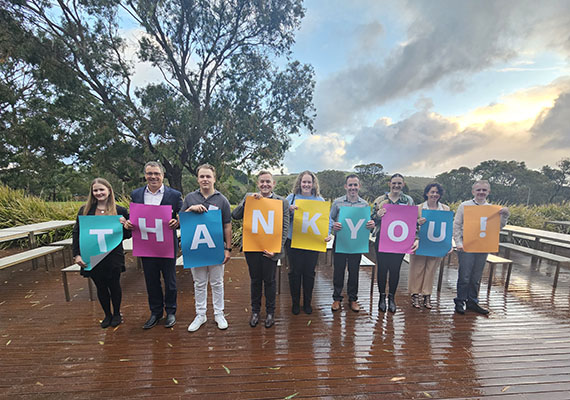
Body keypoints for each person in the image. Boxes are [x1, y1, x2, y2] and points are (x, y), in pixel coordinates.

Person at [124, 162, 183, 329]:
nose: (153, 177)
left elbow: (183, 215)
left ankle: (171, 311)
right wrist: (128, 223)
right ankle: (155, 312)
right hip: (146, 244)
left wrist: (177, 222)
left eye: (156, 173)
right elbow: (133, 216)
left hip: (167, 244)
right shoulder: (136, 194)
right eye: (150, 173)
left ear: (162, 175)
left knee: (170, 280)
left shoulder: (174, 194)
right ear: (145, 175)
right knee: (151, 281)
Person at [232, 171, 289, 328]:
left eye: (268, 182)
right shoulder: (250, 197)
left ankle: (271, 312)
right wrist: (247, 202)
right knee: (255, 280)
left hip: (270, 249)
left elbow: (284, 227)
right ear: (258, 184)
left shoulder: (281, 202)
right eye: (262, 182)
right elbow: (235, 215)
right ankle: (255, 311)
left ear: (273, 184)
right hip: (252, 248)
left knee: (270, 281)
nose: (265, 184)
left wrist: (277, 250)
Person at [72, 178, 130, 328]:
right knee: (101, 287)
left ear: (109, 190)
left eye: (101, 189)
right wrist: (76, 254)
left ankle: (117, 313)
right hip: (92, 254)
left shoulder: (120, 210)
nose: (99, 193)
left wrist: (126, 226)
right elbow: (77, 233)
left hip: (113, 256)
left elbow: (127, 235)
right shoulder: (85, 211)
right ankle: (107, 315)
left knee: (114, 285)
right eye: (95, 190)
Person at [182, 164, 232, 332]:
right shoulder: (189, 198)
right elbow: (182, 221)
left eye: (208, 176)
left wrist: (228, 249)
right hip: (196, 249)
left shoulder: (221, 199)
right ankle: (200, 314)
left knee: (217, 282)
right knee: (199, 283)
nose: (205, 179)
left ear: (214, 178)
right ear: (197, 179)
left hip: (216, 248)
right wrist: (190, 209)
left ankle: (219, 313)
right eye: (202, 176)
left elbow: (227, 225)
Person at [453, 180, 510, 315]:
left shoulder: (492, 209)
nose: (481, 192)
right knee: (464, 276)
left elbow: (498, 227)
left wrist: (505, 215)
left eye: (484, 190)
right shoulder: (464, 206)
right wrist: (458, 242)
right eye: (478, 190)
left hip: (482, 247)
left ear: (488, 192)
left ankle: (472, 301)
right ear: (473, 192)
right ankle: (460, 301)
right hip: (466, 246)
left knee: (476, 277)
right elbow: (457, 225)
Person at [329, 174, 375, 313]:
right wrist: (333, 225)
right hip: (341, 241)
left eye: (355, 185)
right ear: (345, 186)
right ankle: (337, 298)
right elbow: (329, 219)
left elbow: (368, 224)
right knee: (338, 271)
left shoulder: (364, 204)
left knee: (354, 271)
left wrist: (371, 224)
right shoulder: (337, 203)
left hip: (356, 243)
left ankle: (353, 299)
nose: (353, 188)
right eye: (350, 185)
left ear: (359, 186)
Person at [371, 173, 417, 313]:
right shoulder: (380, 200)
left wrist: (416, 238)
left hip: (400, 242)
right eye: (394, 183)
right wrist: (378, 215)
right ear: (389, 184)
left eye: (399, 183)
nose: (396, 186)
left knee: (395, 270)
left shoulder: (408, 200)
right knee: (382, 269)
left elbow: (414, 221)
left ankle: (391, 298)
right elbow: (371, 218)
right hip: (382, 240)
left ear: (403, 184)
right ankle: (381, 297)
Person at [285, 171, 325, 315]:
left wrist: (327, 234)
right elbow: (281, 217)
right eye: (304, 182)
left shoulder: (320, 200)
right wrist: (289, 210)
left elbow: (326, 222)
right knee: (295, 273)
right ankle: (295, 303)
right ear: (299, 183)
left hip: (312, 243)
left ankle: (307, 302)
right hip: (293, 242)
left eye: (309, 182)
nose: (306, 185)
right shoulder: (291, 198)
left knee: (309, 273)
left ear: (314, 184)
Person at [408, 183, 450, 309]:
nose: (434, 195)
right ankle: (415, 294)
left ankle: (427, 295)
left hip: (436, 244)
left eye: (437, 192)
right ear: (427, 193)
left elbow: (448, 229)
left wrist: (449, 244)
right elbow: (409, 227)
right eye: (432, 192)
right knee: (417, 268)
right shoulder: (418, 208)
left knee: (431, 270)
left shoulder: (445, 209)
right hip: (419, 243)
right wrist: (417, 223)